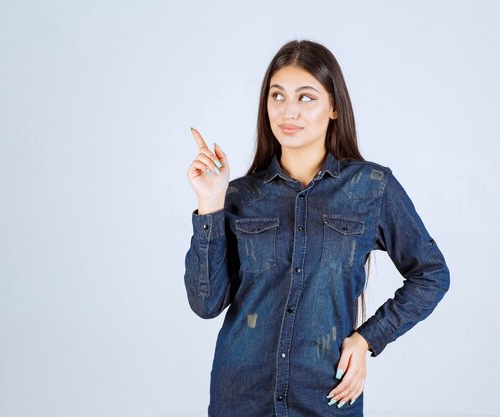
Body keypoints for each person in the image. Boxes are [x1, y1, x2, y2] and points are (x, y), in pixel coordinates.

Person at [183, 39, 450, 417]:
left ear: (335, 107)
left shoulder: (371, 187)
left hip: (325, 397)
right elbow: (205, 304)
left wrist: (366, 339)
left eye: (306, 97)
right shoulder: (240, 195)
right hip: (241, 398)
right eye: (277, 96)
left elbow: (431, 274)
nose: (288, 111)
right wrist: (210, 203)